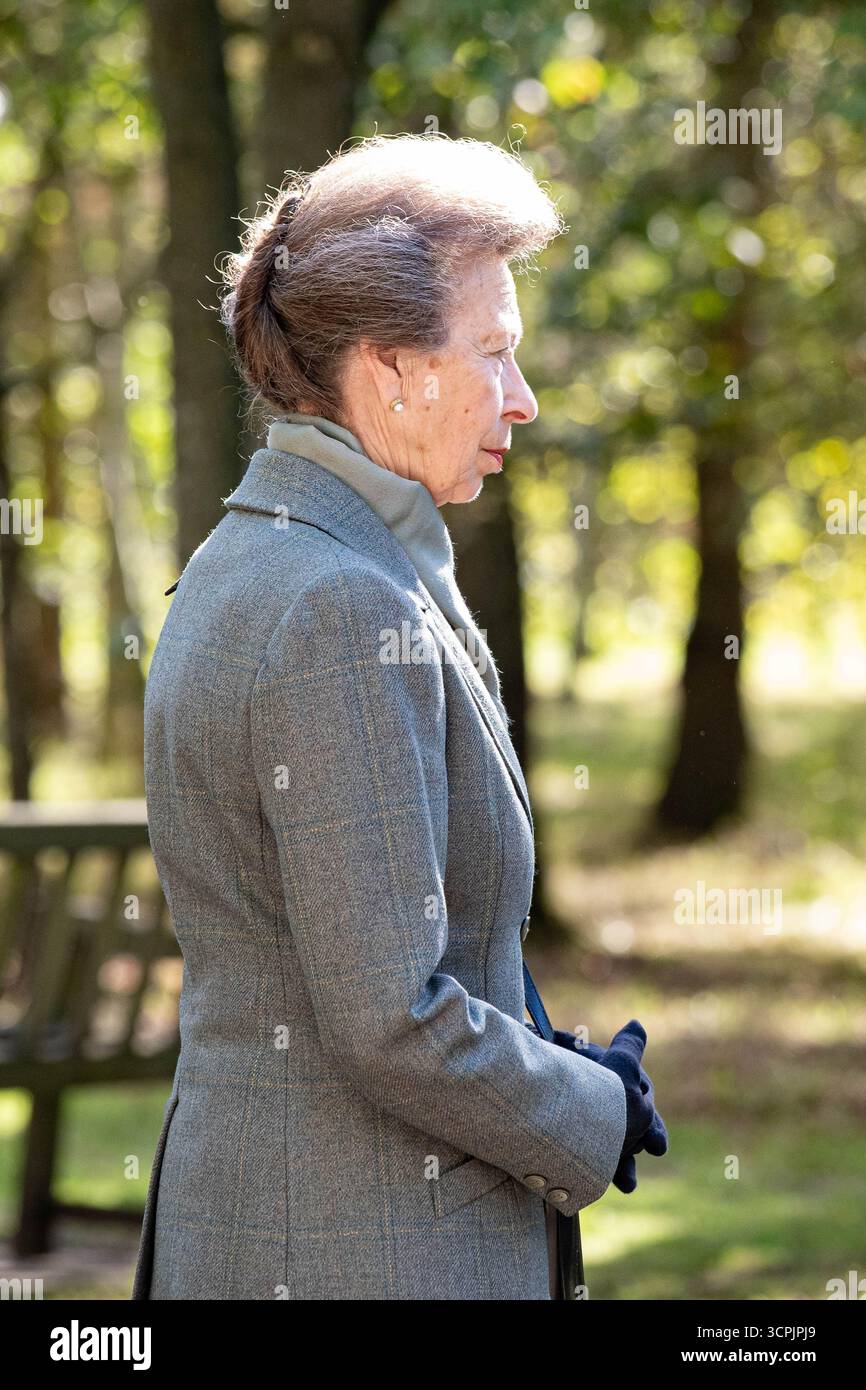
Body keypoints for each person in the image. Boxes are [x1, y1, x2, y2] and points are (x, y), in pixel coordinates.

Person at [132, 133, 666, 1301]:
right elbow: (390, 1018)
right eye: (492, 354)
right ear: (389, 370)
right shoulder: (333, 605)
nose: (520, 399)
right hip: (363, 1250)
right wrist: (592, 1108)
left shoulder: (260, 559)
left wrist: (540, 1057)